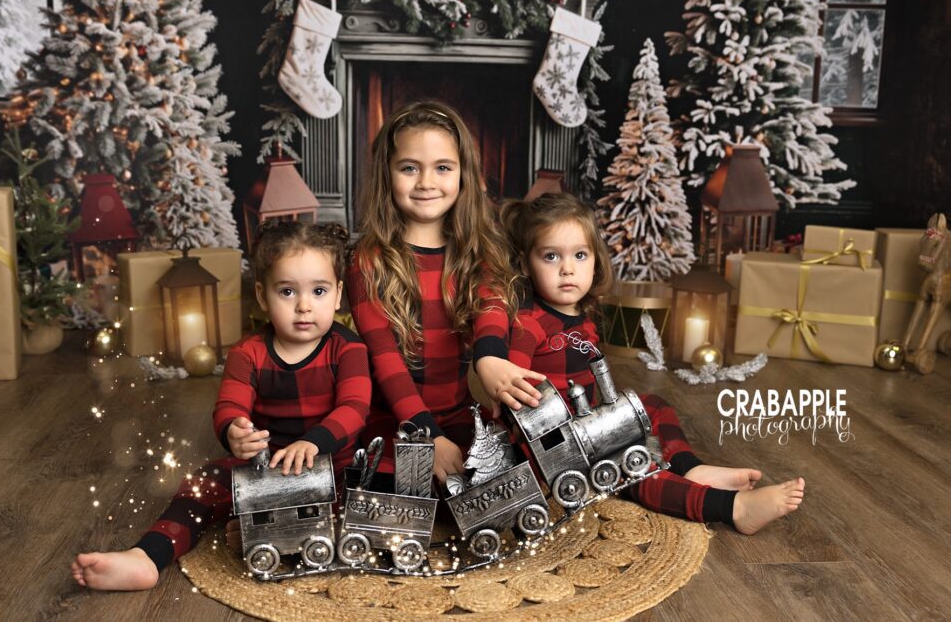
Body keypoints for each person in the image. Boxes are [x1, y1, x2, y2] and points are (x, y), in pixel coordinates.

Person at [71, 221, 371, 590]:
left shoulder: (349, 348)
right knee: (200, 487)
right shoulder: (249, 352)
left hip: (330, 470)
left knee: (365, 497)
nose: (304, 306)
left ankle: (267, 530)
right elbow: (230, 404)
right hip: (265, 468)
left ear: (339, 295)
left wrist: (314, 442)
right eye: (288, 291)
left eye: (319, 291)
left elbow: (355, 408)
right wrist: (235, 431)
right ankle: (148, 555)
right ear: (262, 296)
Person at [500, 192, 805, 535]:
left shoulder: (582, 317)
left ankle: (689, 468)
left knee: (654, 405)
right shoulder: (530, 323)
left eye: (580, 255)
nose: (567, 268)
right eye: (551, 256)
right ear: (526, 264)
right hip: (557, 442)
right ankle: (732, 508)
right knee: (637, 474)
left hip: (589, 416)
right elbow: (513, 389)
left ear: (595, 261)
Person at [346, 99, 545, 482]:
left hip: (457, 414)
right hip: (395, 416)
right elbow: (385, 362)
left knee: (503, 479)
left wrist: (489, 358)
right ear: (387, 175)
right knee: (391, 491)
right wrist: (427, 436)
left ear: (463, 174)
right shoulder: (368, 261)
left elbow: (492, 311)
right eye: (409, 168)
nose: (426, 182)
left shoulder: (478, 250)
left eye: (442, 168)